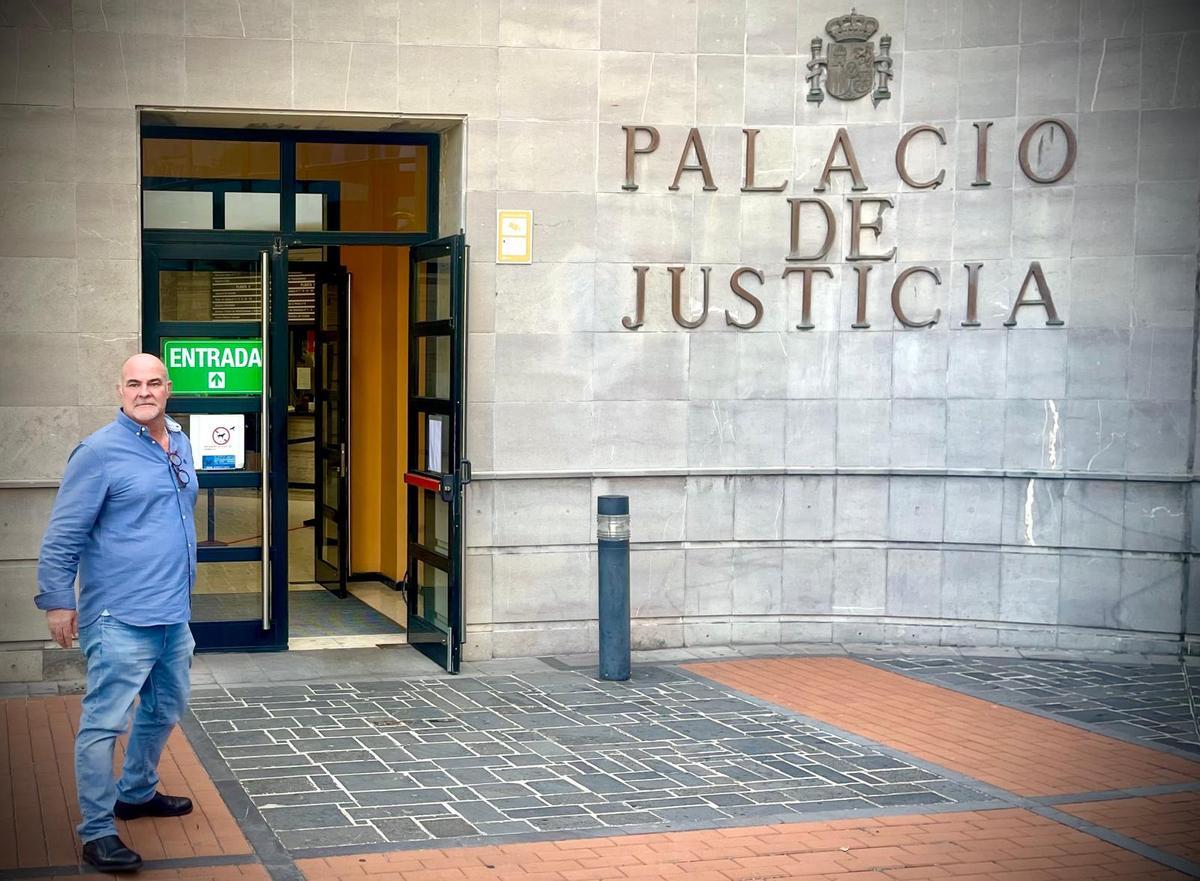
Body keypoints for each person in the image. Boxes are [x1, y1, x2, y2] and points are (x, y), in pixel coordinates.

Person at [37, 353, 200, 873]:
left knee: (165, 709)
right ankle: (98, 832)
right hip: (120, 614)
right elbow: (63, 534)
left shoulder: (178, 442)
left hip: (173, 612)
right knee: (104, 723)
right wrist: (59, 600)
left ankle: (136, 792)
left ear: (168, 388)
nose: (145, 391)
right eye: (135, 384)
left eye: (154, 382)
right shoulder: (98, 452)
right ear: (120, 390)